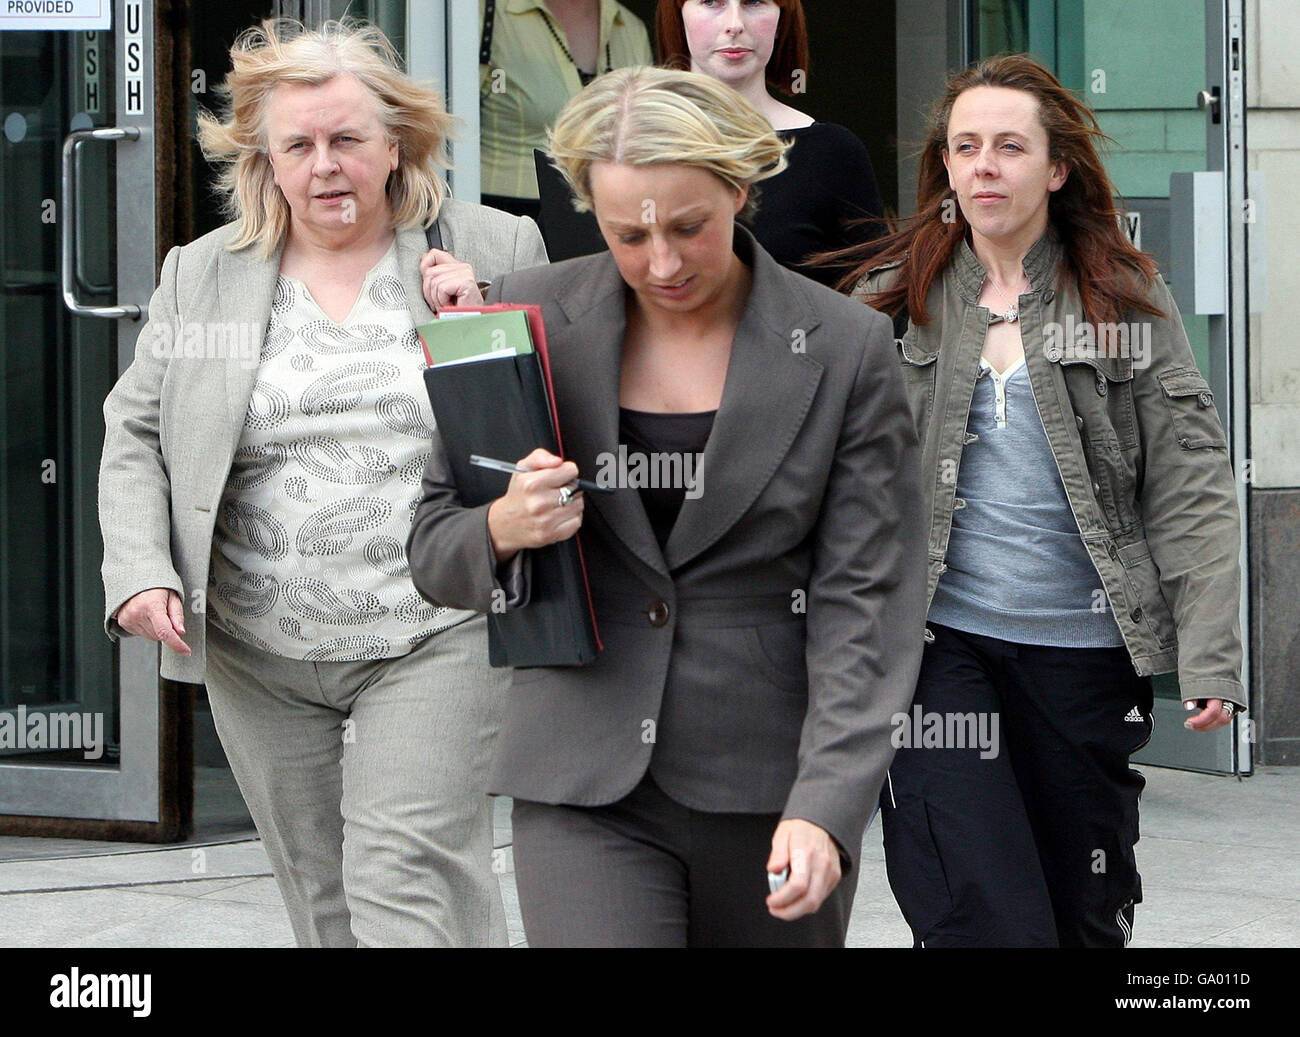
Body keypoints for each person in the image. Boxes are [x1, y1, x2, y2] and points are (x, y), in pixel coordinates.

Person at [407, 65, 926, 948]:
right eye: (626, 235)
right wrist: (502, 527)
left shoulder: (845, 346)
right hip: (580, 777)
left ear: (740, 186)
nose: (663, 262)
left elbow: (868, 600)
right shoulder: (528, 318)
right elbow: (430, 549)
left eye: (690, 226)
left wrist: (829, 803)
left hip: (771, 783)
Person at [97, 18, 548, 948]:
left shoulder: (494, 244)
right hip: (259, 648)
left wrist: (484, 323)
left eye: (347, 140)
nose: (325, 166)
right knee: (323, 894)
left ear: (396, 144)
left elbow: (556, 422)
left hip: (439, 626)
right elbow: (136, 428)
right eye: (297, 145)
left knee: (407, 866)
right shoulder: (203, 275)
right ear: (263, 157)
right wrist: (140, 567)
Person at [848, 54, 1245, 948]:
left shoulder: (1124, 300)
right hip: (937, 650)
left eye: (1010, 146)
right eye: (966, 147)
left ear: (1056, 168)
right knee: (982, 909)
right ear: (945, 169)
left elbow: (1190, 482)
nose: (985, 165)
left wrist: (1212, 656)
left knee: (1083, 915)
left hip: (1081, 656)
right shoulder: (890, 301)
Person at [655, 0, 883, 288]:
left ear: (782, 18)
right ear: (678, 14)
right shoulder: (625, 144)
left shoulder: (832, 152)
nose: (734, 24)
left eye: (754, 2)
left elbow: (877, 301)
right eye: (711, 1)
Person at [479, 0, 653, 220]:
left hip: (606, 218)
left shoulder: (630, 27)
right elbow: (449, 124)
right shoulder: (484, 13)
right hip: (505, 213)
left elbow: (644, 138)